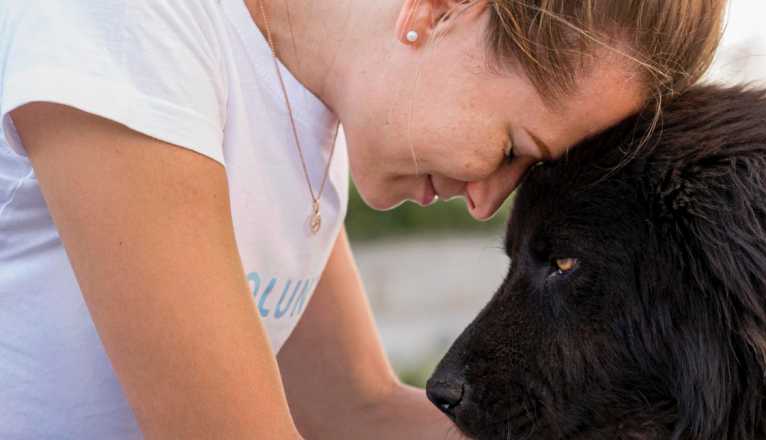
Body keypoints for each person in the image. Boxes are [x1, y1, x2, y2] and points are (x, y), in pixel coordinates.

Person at [0, 0, 726, 438]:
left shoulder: (314, 127)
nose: (486, 202)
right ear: (440, 10)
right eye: (511, 147)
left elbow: (357, 410)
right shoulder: (134, 23)